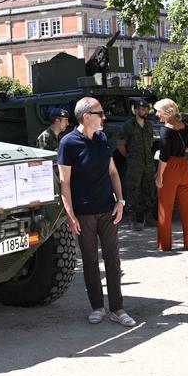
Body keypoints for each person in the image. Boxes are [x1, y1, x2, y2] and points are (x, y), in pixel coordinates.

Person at [57, 98, 136, 327]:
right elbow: (65, 183)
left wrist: (120, 201)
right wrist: (70, 215)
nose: (104, 117)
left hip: (107, 209)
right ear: (86, 117)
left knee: (113, 259)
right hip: (83, 213)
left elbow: (112, 172)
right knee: (90, 260)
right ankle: (97, 307)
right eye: (100, 113)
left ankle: (118, 309)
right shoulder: (68, 143)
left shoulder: (102, 138)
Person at [153, 98, 188, 251]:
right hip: (184, 167)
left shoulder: (165, 129)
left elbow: (164, 156)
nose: (156, 114)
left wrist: (159, 175)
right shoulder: (185, 127)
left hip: (171, 168)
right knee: (187, 207)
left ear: (166, 112)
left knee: (165, 207)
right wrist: (181, 150)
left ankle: (165, 245)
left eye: (158, 111)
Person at [116, 97, 156, 231]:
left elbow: (150, 143)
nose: (145, 111)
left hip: (148, 163)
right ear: (136, 110)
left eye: (146, 109)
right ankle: (132, 220)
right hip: (134, 164)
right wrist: (130, 156)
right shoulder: (128, 126)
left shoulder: (149, 125)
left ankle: (148, 218)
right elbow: (121, 144)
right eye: (142, 109)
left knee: (149, 190)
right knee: (133, 191)